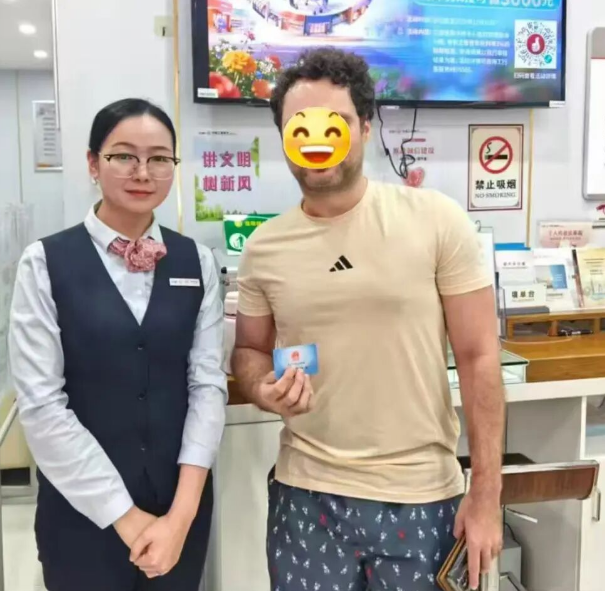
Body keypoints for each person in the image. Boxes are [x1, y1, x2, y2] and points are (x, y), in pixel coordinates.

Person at [232, 48, 504, 591]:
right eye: (299, 126)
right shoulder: (263, 247)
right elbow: (250, 351)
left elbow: (479, 358)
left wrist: (486, 496)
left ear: (364, 126)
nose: (316, 141)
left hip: (422, 497)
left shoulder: (436, 220)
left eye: (334, 123)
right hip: (305, 498)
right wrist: (263, 388)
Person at [9, 98, 227, 591]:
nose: (142, 172)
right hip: (82, 514)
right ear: (93, 163)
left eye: (159, 158)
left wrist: (181, 516)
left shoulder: (198, 262)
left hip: (179, 509)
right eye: (124, 155)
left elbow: (207, 385)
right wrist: (127, 519)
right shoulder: (44, 263)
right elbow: (42, 405)